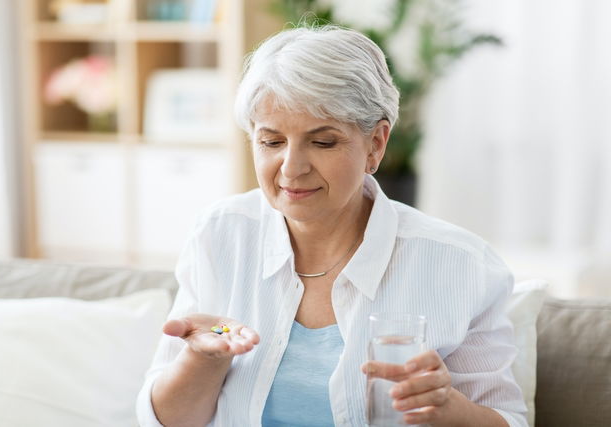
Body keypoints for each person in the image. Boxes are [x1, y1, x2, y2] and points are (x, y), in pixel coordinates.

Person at [136, 25, 527, 427]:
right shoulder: (221, 235)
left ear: (375, 143)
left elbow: (509, 419)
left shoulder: (459, 264)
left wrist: (449, 410)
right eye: (271, 142)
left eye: (322, 142)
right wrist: (203, 358)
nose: (291, 168)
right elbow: (164, 420)